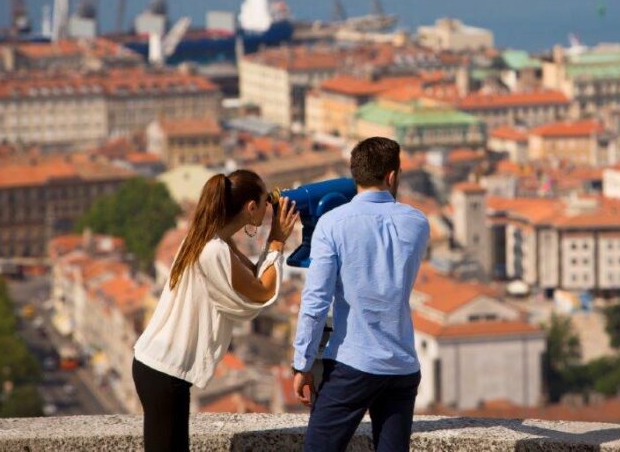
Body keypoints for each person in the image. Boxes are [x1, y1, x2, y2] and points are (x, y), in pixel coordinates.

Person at [133, 169, 299, 451]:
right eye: (265, 201)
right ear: (250, 208)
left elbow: (254, 279)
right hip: (164, 371)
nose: (268, 208)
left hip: (159, 369)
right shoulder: (214, 251)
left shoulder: (211, 240)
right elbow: (262, 291)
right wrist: (278, 241)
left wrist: (273, 241)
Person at [292, 137, 430, 452]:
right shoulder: (418, 223)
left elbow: (316, 301)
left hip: (352, 363)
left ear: (355, 175)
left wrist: (302, 363)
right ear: (392, 176)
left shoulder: (332, 224)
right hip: (402, 365)